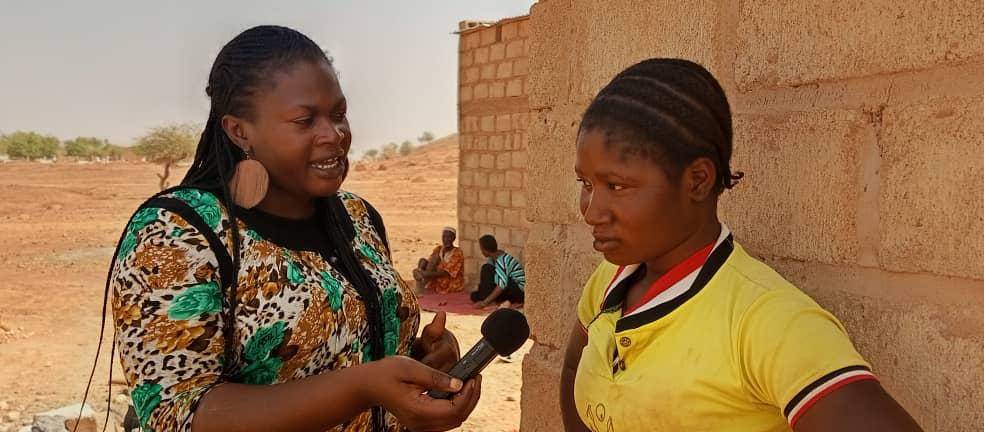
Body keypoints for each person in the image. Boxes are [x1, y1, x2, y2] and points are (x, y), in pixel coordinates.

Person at [108, 26, 480, 432]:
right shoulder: (178, 233)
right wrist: (362, 387)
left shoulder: (358, 217)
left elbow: (361, 351)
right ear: (239, 131)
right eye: (305, 120)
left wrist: (427, 358)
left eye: (338, 114)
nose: (334, 134)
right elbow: (178, 414)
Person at [559, 59, 922, 432]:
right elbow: (574, 368)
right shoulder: (610, 281)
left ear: (698, 180)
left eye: (616, 186)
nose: (590, 211)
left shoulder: (768, 320)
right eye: (585, 184)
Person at [471, 235, 525, 309]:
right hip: (507, 288)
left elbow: (501, 286)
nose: (481, 252)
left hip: (518, 291)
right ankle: (492, 300)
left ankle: (490, 301)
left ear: (486, 250)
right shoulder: (493, 258)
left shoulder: (502, 260)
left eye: (481, 249)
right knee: (474, 295)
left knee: (486, 268)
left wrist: (484, 303)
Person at [412, 227, 465, 294]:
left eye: (449, 237)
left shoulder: (458, 252)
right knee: (423, 261)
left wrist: (425, 274)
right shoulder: (439, 249)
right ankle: (420, 281)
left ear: (454, 238)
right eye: (444, 237)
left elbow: (445, 273)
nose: (446, 239)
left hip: (449, 281)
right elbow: (430, 263)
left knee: (424, 270)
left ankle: (420, 284)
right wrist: (422, 271)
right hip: (436, 277)